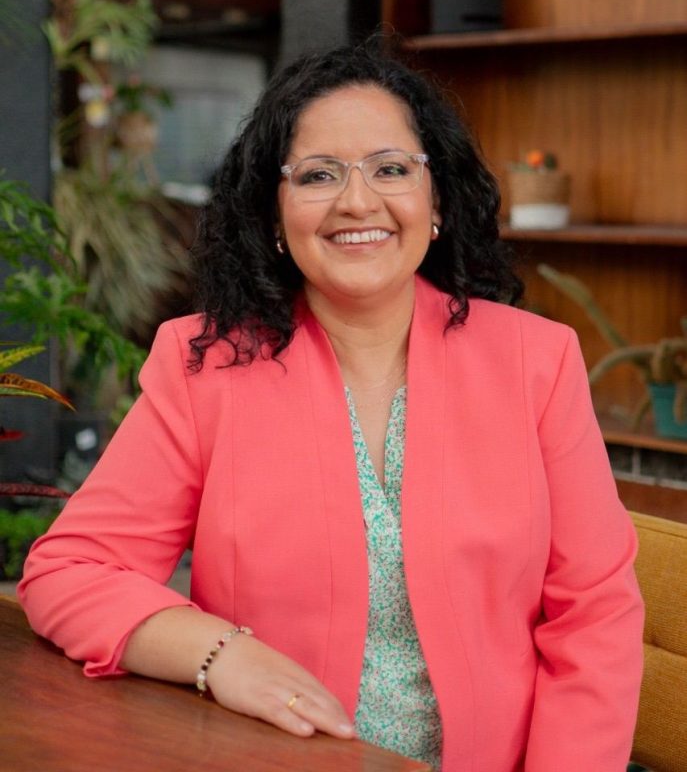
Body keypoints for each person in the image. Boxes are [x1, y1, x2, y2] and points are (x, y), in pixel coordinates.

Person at [19, 42, 644, 771]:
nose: (357, 201)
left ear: (436, 200)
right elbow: (71, 569)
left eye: (391, 169)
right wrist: (220, 654)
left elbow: (594, 614)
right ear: (274, 214)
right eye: (318, 175)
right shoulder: (204, 366)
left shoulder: (537, 361)